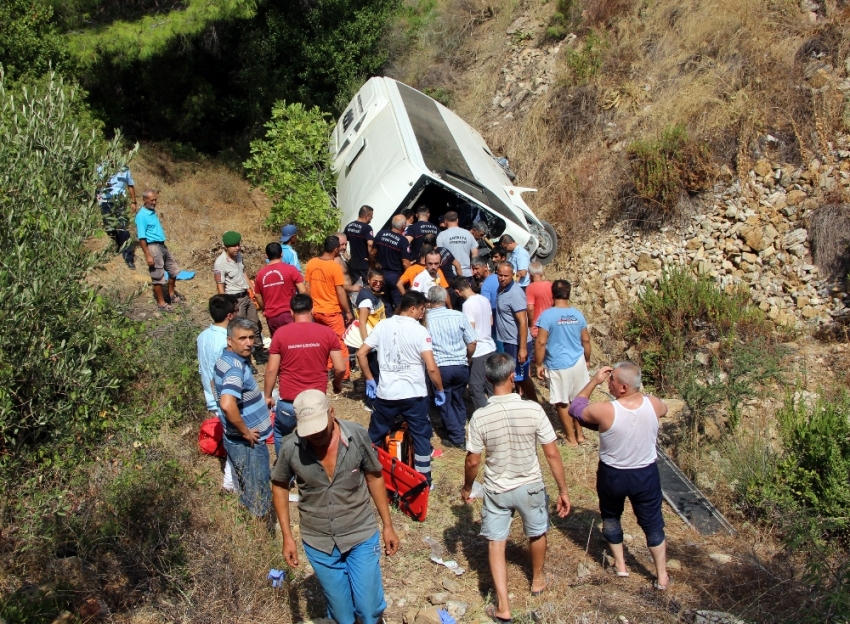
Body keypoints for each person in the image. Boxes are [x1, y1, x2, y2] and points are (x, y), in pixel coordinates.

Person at [271, 390, 399, 624]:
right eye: (309, 430)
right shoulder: (291, 447)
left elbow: (374, 476)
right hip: (319, 540)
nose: (316, 435)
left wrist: (387, 526)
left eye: (320, 427)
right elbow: (279, 485)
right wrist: (287, 537)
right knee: (342, 616)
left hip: (360, 532)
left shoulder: (357, 436)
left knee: (369, 611)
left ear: (332, 413)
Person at [462, 353, 571, 622]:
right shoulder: (533, 409)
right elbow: (552, 454)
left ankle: (503, 605)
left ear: (487, 379)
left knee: (496, 542)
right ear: (513, 377)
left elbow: (473, 460)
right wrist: (563, 490)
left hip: (497, 488)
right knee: (536, 532)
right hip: (530, 484)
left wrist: (467, 487)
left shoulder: (479, 417)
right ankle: (537, 579)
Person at [568, 363, 669, 589]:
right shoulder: (652, 404)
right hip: (645, 474)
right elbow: (664, 409)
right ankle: (661, 575)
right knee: (653, 523)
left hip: (613, 475)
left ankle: (621, 565)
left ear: (622, 387)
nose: (608, 382)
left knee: (611, 516)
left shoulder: (606, 410)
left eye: (612, 379)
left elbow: (576, 408)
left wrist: (594, 381)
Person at [356, 291, 445, 486]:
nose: (423, 314)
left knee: (375, 435)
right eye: (422, 310)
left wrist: (370, 379)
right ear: (412, 308)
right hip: (414, 395)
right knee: (421, 436)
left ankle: (368, 474)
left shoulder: (382, 325)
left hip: (387, 393)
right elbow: (431, 367)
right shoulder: (420, 331)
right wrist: (439, 390)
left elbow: (361, 354)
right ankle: (423, 481)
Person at [264, 294, 346, 453]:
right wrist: (337, 384)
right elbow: (340, 368)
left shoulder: (280, 333)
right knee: (317, 438)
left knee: (282, 434)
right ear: (313, 310)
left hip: (289, 401)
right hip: (316, 402)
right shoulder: (327, 333)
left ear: (291, 312)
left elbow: (271, 369)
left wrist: (268, 395)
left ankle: (285, 472)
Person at [214, 317, 274, 517]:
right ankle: (260, 532)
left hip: (237, 438)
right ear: (230, 340)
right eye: (242, 338)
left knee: (247, 486)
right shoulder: (235, 368)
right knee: (258, 492)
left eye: (251, 337)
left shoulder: (226, 359)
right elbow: (227, 404)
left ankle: (249, 518)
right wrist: (246, 432)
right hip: (248, 443)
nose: (249, 342)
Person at [534, 280, 590, 446]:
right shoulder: (578, 314)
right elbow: (586, 339)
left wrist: (538, 364)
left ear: (552, 294)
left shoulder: (547, 315)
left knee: (562, 401)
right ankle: (580, 435)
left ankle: (570, 438)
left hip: (558, 363)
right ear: (569, 293)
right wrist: (587, 359)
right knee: (578, 400)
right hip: (578, 361)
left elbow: (541, 342)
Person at [426, 285, 477, 448]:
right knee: (457, 398)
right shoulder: (459, 315)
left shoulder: (425, 320)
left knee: (444, 401)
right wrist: (467, 357)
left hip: (441, 366)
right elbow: (472, 341)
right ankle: (458, 428)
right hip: (460, 364)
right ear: (444, 298)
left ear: (429, 300)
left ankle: (457, 436)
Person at [197, 294, 237, 491]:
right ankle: (231, 483)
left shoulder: (202, 336)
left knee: (231, 437)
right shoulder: (225, 342)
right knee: (235, 441)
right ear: (230, 315)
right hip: (225, 398)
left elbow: (203, 369)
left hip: (211, 396)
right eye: (236, 312)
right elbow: (225, 375)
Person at [305, 235, 354, 381]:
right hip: (332, 312)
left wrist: (310, 308)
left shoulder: (312, 263)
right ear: (335, 249)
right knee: (340, 344)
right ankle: (344, 377)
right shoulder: (334, 266)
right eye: (339, 247)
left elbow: (307, 287)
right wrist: (348, 311)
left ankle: (327, 369)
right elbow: (340, 291)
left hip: (317, 311)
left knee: (324, 342)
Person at [214, 231, 266, 365]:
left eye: (238, 245)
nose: (237, 248)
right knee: (240, 329)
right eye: (233, 246)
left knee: (255, 324)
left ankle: (258, 352)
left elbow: (243, 272)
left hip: (246, 295)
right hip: (234, 299)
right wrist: (225, 305)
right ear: (226, 247)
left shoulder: (238, 256)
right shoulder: (220, 263)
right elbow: (220, 285)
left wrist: (253, 289)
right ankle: (244, 360)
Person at [495, 262, 537, 401]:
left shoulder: (515, 294)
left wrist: (523, 348)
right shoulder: (501, 289)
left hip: (517, 342)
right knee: (515, 376)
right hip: (508, 341)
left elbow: (523, 321)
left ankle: (534, 403)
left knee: (522, 377)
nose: (502, 278)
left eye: (506, 276)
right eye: (500, 275)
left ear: (512, 275)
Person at [135, 189, 183, 312]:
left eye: (155, 199)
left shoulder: (152, 212)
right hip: (153, 247)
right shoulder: (141, 216)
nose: (155, 202)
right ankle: (161, 303)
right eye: (152, 200)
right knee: (157, 277)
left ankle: (171, 295)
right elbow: (141, 237)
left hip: (162, 245)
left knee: (174, 271)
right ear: (144, 200)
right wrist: (148, 255)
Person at [454, 277, 496, 410]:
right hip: (490, 346)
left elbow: (470, 332)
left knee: (476, 388)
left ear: (457, 291)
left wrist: (468, 355)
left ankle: (485, 417)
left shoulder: (467, 305)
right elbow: (490, 322)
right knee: (491, 385)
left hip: (478, 351)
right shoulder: (484, 299)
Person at [254, 242, 306, 337]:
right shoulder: (291, 270)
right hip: (288, 313)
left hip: (271, 316)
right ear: (282, 254)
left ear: (266, 255)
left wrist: (264, 308)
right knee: (293, 342)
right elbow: (302, 291)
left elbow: (257, 295)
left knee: (278, 345)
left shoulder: (260, 274)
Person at [356, 269, 387, 411]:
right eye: (375, 281)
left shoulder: (373, 295)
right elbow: (362, 322)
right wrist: (366, 344)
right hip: (371, 342)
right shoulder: (366, 299)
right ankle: (371, 402)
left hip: (378, 339)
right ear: (368, 280)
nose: (378, 284)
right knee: (374, 371)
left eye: (381, 282)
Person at [98, 163, 137, 269]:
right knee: (109, 228)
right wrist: (101, 185)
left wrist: (133, 202)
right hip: (105, 201)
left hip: (120, 202)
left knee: (123, 228)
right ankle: (120, 244)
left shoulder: (124, 169)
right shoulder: (101, 168)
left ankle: (129, 258)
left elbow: (130, 185)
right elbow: (96, 184)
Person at [372, 215, 411, 313]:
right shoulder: (403, 241)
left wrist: (373, 264)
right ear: (403, 227)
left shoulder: (381, 234)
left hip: (381, 275)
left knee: (385, 303)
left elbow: (372, 253)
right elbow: (406, 263)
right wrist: (409, 278)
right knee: (400, 304)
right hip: (395, 277)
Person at [437, 211, 478, 277]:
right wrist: (473, 267)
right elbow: (475, 252)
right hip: (466, 273)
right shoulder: (467, 233)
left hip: (449, 273)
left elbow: (438, 252)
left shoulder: (442, 235)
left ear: (445, 221)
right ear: (457, 220)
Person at [344, 205, 375, 285]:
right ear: (367, 216)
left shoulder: (349, 226)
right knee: (366, 285)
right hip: (364, 264)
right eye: (371, 215)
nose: (372, 218)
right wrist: (371, 259)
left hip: (353, 263)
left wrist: (346, 256)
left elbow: (342, 241)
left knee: (356, 285)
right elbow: (370, 244)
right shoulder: (367, 228)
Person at [526, 262, 553, 339]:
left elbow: (530, 308)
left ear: (530, 274)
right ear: (542, 272)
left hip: (538, 328)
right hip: (551, 327)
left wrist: (530, 325)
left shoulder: (530, 288)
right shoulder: (551, 285)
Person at [334, 231, 362, 300]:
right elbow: (335, 283)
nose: (344, 247)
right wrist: (352, 288)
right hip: (341, 296)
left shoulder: (341, 256)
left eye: (346, 244)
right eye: (342, 244)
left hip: (348, 295)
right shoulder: (335, 260)